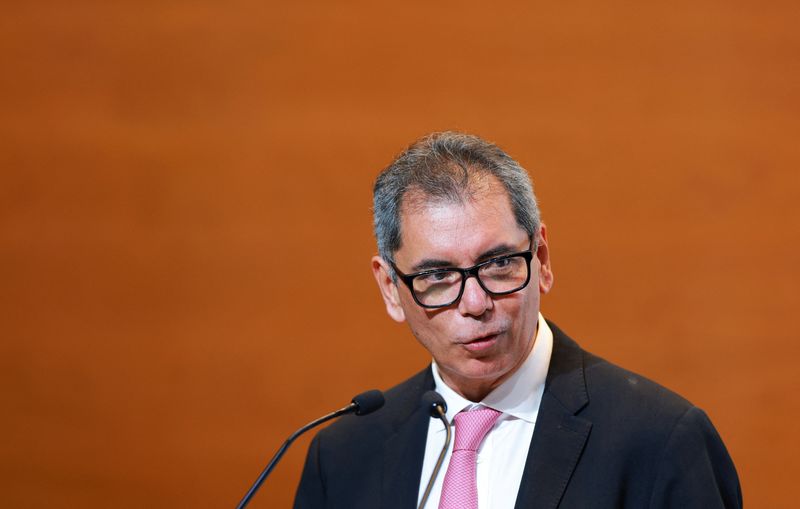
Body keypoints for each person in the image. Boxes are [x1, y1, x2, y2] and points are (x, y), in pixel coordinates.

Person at [294, 132, 741, 508]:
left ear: (541, 259)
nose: (475, 302)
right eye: (437, 275)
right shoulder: (342, 457)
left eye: (498, 264)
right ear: (391, 287)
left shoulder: (661, 441)